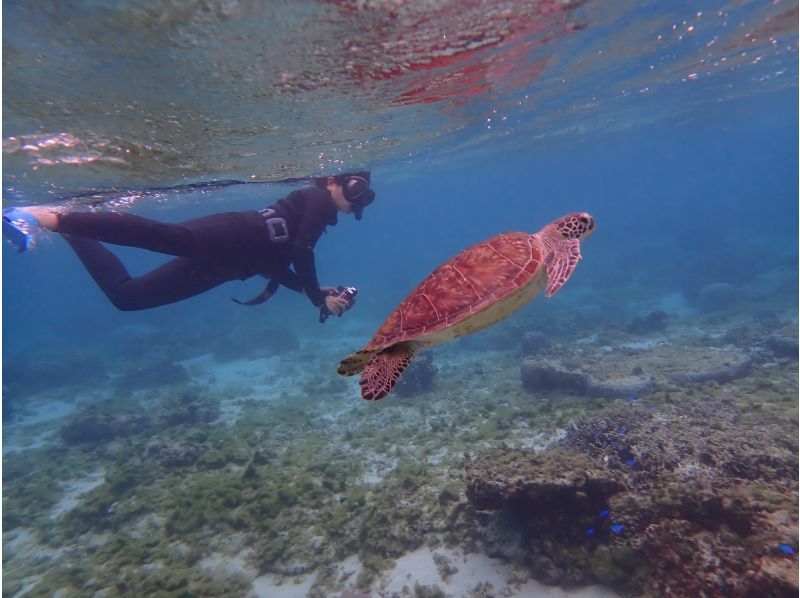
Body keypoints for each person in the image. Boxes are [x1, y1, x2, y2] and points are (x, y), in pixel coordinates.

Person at [2, 172, 376, 318]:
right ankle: (45, 215)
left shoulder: (316, 219)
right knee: (167, 238)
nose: (355, 197)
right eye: (353, 186)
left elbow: (275, 264)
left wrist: (315, 290)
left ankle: (71, 229)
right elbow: (299, 252)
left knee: (128, 297)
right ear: (332, 182)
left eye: (363, 194)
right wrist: (314, 296)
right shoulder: (316, 198)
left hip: (226, 267)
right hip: (233, 235)